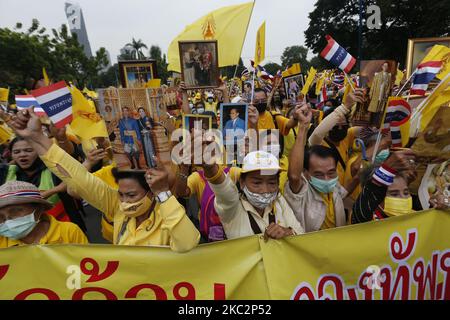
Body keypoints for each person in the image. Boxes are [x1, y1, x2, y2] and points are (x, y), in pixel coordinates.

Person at [7, 108, 200, 252]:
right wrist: (37, 137)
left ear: (151, 191)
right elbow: (79, 179)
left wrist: (163, 195)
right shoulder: (116, 207)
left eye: (132, 195)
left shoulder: (168, 211)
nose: (125, 202)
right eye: (121, 194)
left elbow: (188, 242)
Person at [202, 149, 304, 240]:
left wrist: (288, 232)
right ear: (242, 183)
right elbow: (225, 191)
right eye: (257, 183)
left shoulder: (279, 201)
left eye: (272, 183)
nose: (265, 190)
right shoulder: (233, 208)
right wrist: (210, 168)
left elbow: (301, 234)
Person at [284, 103, 352, 232]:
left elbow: (344, 194)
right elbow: (294, 176)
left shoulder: (334, 186)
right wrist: (303, 127)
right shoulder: (302, 193)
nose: (327, 179)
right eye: (319, 175)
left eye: (331, 172)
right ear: (306, 174)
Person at [0, 136, 87, 232]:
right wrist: (56, 189)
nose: (22, 155)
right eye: (16, 152)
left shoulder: (54, 168)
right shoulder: (5, 173)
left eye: (28, 150)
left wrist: (62, 138)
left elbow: (72, 161)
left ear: (38, 151)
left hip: (63, 229)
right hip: (23, 234)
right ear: (11, 155)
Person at [0, 181, 87, 247]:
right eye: (0, 217)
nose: (8, 221)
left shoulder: (69, 231)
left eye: (15, 211)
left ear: (39, 209)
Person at [309, 89, 365, 185]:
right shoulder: (319, 143)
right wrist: (345, 107)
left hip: (344, 193)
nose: (340, 128)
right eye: (335, 126)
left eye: (343, 126)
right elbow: (317, 134)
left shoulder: (348, 135)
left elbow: (369, 128)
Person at [352, 150, 419, 223]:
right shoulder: (365, 222)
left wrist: (432, 210)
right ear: (376, 198)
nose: (403, 198)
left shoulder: (416, 218)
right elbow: (362, 209)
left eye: (406, 193)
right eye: (394, 194)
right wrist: (386, 171)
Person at [368, 61, 392, 126]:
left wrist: (387, 93)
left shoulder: (389, 76)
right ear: (382, 67)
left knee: (380, 110)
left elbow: (389, 86)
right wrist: (371, 93)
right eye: (384, 66)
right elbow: (373, 84)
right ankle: (371, 123)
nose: (385, 67)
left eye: (386, 66)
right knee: (374, 109)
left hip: (383, 94)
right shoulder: (378, 75)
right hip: (376, 93)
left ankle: (377, 124)